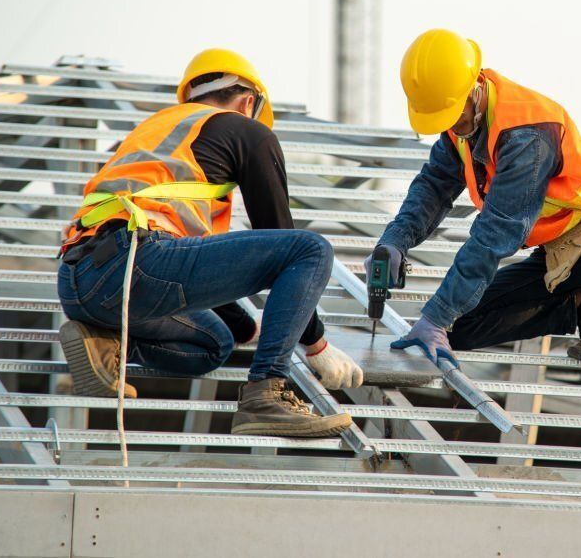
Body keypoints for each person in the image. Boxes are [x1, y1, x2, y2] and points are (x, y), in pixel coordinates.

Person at [56, 48, 363, 438]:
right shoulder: (247, 130)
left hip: (79, 279)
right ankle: (266, 393)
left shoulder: (158, 132)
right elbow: (278, 232)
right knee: (311, 249)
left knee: (217, 342)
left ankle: (104, 342)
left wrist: (248, 327)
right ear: (248, 102)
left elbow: (197, 270)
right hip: (137, 261)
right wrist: (315, 343)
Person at [375, 29, 581, 397]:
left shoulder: (527, 132)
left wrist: (436, 314)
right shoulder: (459, 123)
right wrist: (395, 241)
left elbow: (498, 231)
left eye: (452, 114)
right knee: (455, 330)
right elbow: (433, 186)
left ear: (474, 86)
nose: (450, 125)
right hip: (557, 254)